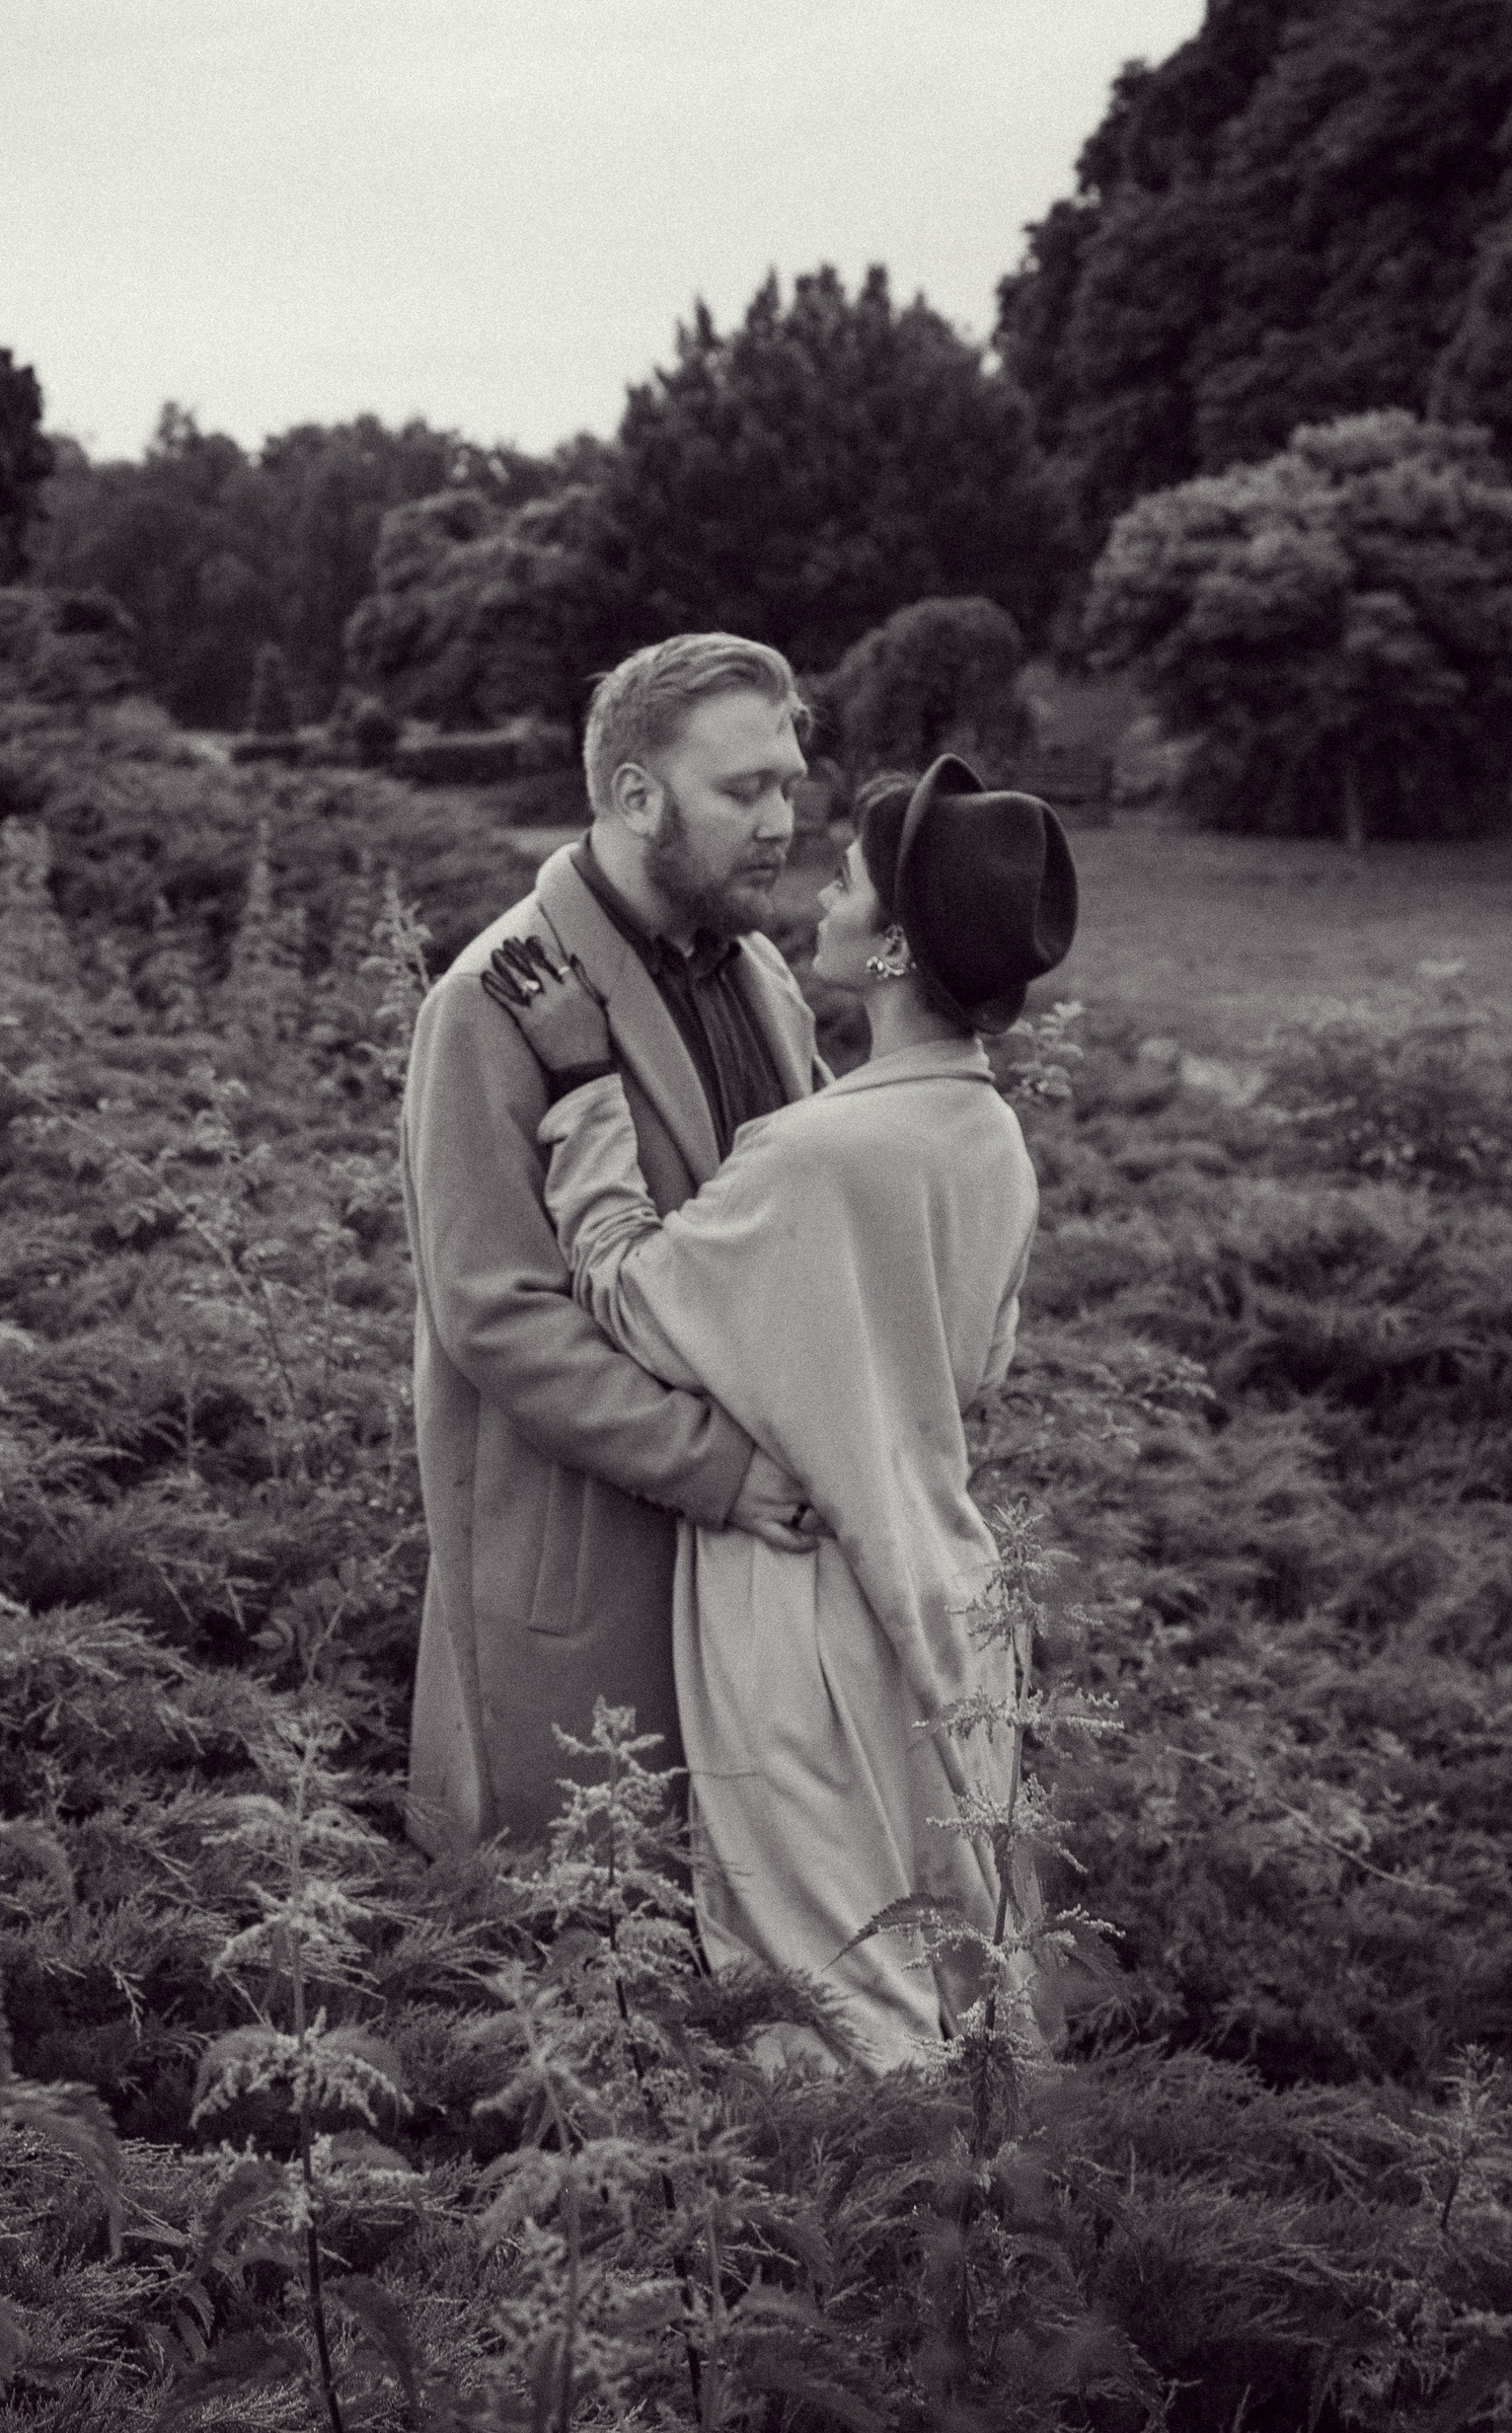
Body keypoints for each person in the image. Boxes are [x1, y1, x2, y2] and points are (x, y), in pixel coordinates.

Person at [482, 754, 1077, 2068]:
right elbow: (974, 1366)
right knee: (963, 1973)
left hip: (803, 1604)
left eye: (849, 882)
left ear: (893, 950)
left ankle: (861, 2203)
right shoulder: (987, 1136)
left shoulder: (814, 1158)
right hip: (950, 1595)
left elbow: (626, 1292)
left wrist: (584, 1087)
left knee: (828, 1995)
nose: (819, 894)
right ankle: (998, 2187)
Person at [401, 634, 831, 1857]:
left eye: (788, 785)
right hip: (590, 1561)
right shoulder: (484, 1002)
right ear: (636, 796)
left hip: (760, 1567)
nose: (781, 822)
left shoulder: (759, 970)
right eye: (742, 790)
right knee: (567, 1917)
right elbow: (496, 1317)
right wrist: (716, 1468)